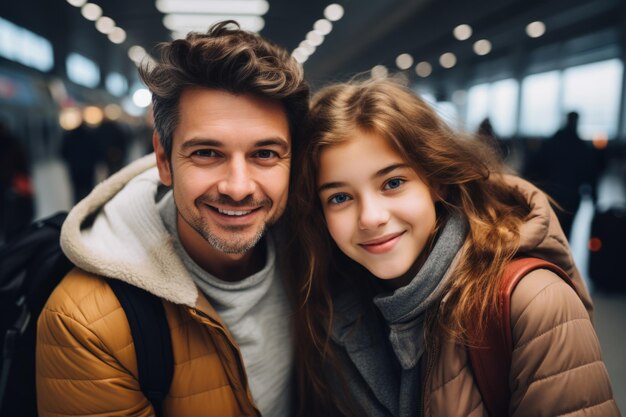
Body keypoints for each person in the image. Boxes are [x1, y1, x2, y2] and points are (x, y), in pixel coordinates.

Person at [290, 79, 619, 417]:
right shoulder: (330, 303)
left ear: (436, 183)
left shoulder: (533, 303)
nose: (370, 218)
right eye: (340, 197)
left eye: (393, 183)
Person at [36, 21, 309, 417]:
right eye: (206, 153)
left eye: (265, 154)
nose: (238, 187)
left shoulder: (323, 255)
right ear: (164, 161)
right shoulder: (85, 323)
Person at [524, 111, 599, 238]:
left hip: (552, 193)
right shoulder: (580, 145)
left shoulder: (553, 142)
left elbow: (535, 166)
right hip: (572, 196)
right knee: (566, 231)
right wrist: (593, 195)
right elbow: (590, 172)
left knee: (548, 229)